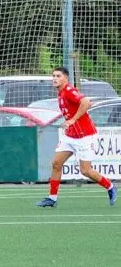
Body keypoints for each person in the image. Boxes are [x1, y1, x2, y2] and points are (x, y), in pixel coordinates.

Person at [37, 67, 117, 207]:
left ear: (65, 79)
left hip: (84, 136)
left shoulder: (68, 91)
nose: (54, 78)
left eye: (58, 76)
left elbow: (86, 102)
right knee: (56, 164)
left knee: (85, 170)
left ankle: (110, 186)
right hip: (70, 136)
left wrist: (73, 120)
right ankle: (52, 198)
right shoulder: (60, 93)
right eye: (53, 76)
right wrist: (69, 121)